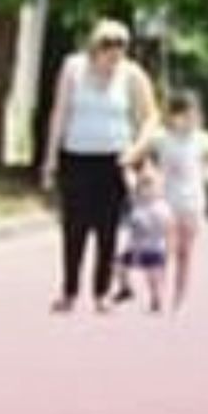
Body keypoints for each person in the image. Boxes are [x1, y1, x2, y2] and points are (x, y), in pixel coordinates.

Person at [41, 18, 158, 313]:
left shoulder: (131, 75)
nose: (114, 51)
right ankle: (69, 290)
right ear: (94, 46)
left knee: (108, 229)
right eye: (107, 44)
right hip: (77, 156)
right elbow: (60, 113)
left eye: (121, 45)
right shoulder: (73, 68)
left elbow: (150, 118)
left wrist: (136, 150)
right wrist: (50, 158)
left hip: (114, 159)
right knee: (74, 228)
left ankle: (102, 292)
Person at [134, 93, 208, 311]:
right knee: (164, 250)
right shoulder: (161, 138)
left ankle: (179, 300)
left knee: (185, 253)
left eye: (194, 114)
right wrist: (146, 174)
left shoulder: (203, 139)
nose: (190, 119)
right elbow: (141, 154)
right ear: (172, 117)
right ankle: (157, 293)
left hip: (192, 203)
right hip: (165, 203)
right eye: (184, 115)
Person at [114, 158, 171, 314]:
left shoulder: (160, 208)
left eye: (150, 186)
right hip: (134, 246)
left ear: (160, 189)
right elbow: (129, 182)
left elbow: (166, 229)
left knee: (151, 275)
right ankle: (126, 288)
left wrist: (168, 247)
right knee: (118, 265)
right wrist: (125, 167)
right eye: (142, 187)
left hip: (153, 247)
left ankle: (156, 299)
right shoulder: (138, 201)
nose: (145, 190)